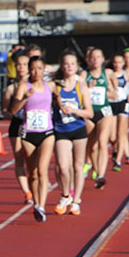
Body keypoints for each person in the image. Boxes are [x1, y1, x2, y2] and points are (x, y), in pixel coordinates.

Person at [11, 56, 56, 222]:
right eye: (33, 68)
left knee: (43, 170)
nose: (36, 72)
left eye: (39, 68)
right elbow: (13, 109)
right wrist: (24, 98)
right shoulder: (24, 86)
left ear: (44, 70)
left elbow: (60, 96)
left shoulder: (49, 86)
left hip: (47, 133)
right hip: (28, 134)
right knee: (33, 173)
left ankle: (41, 207)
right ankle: (36, 203)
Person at [52, 51, 92, 216]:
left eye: (72, 64)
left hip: (78, 129)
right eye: (66, 63)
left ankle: (76, 201)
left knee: (78, 167)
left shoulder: (80, 84)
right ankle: (65, 195)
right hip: (61, 129)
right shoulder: (55, 85)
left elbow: (89, 113)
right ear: (61, 65)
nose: (69, 66)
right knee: (62, 166)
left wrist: (74, 110)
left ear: (77, 66)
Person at [1, 51, 33, 204]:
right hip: (17, 125)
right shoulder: (11, 88)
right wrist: (15, 112)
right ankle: (27, 192)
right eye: (18, 65)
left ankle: (36, 183)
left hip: (34, 126)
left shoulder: (36, 85)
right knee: (19, 159)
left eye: (24, 64)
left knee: (33, 160)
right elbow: (5, 111)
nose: (21, 68)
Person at [84, 47, 117, 190]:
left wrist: (110, 91)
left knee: (103, 142)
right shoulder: (84, 75)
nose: (95, 60)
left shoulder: (107, 73)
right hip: (90, 113)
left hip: (104, 111)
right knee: (92, 146)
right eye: (93, 57)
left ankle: (101, 175)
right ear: (88, 60)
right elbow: (79, 92)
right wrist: (87, 88)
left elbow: (114, 93)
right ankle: (97, 171)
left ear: (103, 59)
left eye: (98, 57)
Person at [107, 53, 129, 171]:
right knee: (112, 136)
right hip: (112, 104)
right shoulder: (109, 74)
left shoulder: (126, 74)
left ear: (123, 63)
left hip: (123, 103)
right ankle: (115, 151)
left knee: (121, 134)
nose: (117, 65)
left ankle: (118, 161)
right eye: (115, 62)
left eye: (119, 62)